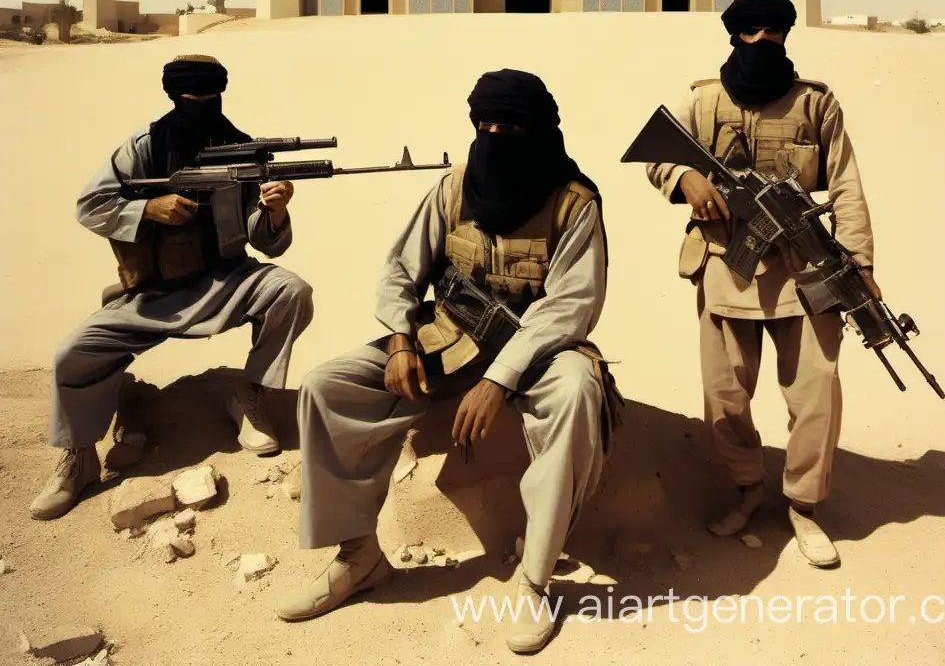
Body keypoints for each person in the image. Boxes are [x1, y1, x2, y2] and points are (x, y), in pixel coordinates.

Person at [276, 69, 618, 654]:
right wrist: (401, 341)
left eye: (507, 126)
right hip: (450, 337)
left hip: (537, 352)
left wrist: (497, 379)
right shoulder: (455, 187)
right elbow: (401, 271)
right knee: (326, 386)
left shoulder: (573, 202)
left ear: (538, 129)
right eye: (482, 125)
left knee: (578, 394)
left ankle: (535, 581)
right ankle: (358, 557)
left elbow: (570, 308)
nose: (492, 136)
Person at [30, 54, 314, 521]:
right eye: (190, 101)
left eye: (210, 100)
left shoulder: (242, 149)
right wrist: (148, 209)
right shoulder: (142, 148)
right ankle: (80, 458)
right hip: (153, 296)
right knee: (73, 353)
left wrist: (275, 211)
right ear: (174, 98)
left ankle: (250, 397)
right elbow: (90, 205)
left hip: (227, 281)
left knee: (291, 290)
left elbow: (267, 244)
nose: (201, 109)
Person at [645, 0, 876, 568]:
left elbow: (845, 183)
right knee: (725, 394)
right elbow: (654, 154)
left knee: (816, 393)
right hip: (726, 266)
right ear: (733, 36)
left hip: (804, 273)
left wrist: (861, 262)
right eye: (750, 32)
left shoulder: (815, 104)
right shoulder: (702, 100)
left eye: (773, 32)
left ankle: (803, 504)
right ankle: (748, 488)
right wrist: (683, 177)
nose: (761, 42)